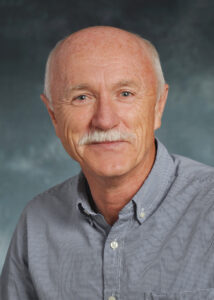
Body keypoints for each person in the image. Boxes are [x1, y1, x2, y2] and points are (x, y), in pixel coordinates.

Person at [1, 26, 214, 300]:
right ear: (53, 115)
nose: (104, 120)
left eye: (125, 93)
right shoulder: (36, 223)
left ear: (159, 106)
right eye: (82, 97)